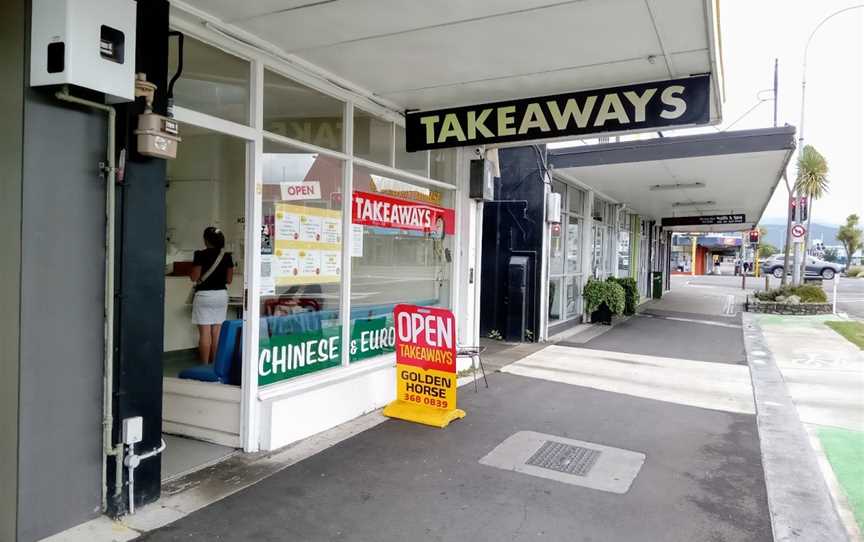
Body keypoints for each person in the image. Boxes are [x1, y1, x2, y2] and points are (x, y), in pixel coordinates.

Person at [190, 227, 234, 363]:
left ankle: (204, 365)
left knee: (205, 333)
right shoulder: (227, 256)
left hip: (204, 296)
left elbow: (194, 277)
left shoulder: (200, 254)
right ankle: (215, 365)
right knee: (217, 332)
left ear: (206, 240)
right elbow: (229, 280)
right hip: (221, 296)